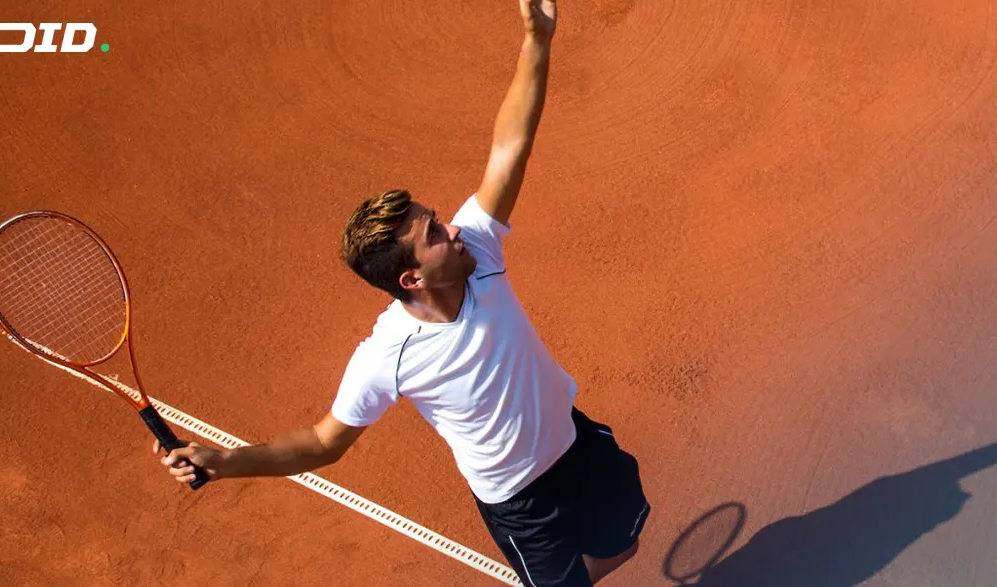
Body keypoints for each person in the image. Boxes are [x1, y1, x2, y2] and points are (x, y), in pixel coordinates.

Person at [154, 1, 650, 584]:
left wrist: (536, 39)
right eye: (436, 233)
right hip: (521, 505)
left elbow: (510, 146)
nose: (456, 229)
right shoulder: (387, 358)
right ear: (411, 278)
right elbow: (321, 442)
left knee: (626, 543)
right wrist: (224, 463)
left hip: (576, 447)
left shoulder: (478, 252)